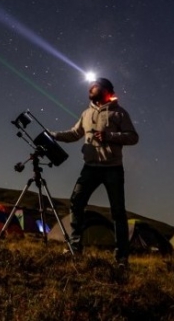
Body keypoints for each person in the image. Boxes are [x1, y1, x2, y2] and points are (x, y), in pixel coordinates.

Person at [51, 77, 139, 265]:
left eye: (95, 86)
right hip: (90, 167)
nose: (91, 88)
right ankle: (74, 248)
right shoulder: (86, 113)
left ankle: (121, 258)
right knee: (76, 203)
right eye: (91, 87)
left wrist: (109, 136)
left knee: (117, 213)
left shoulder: (119, 114)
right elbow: (74, 134)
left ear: (106, 90)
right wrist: (53, 135)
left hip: (113, 169)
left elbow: (133, 137)